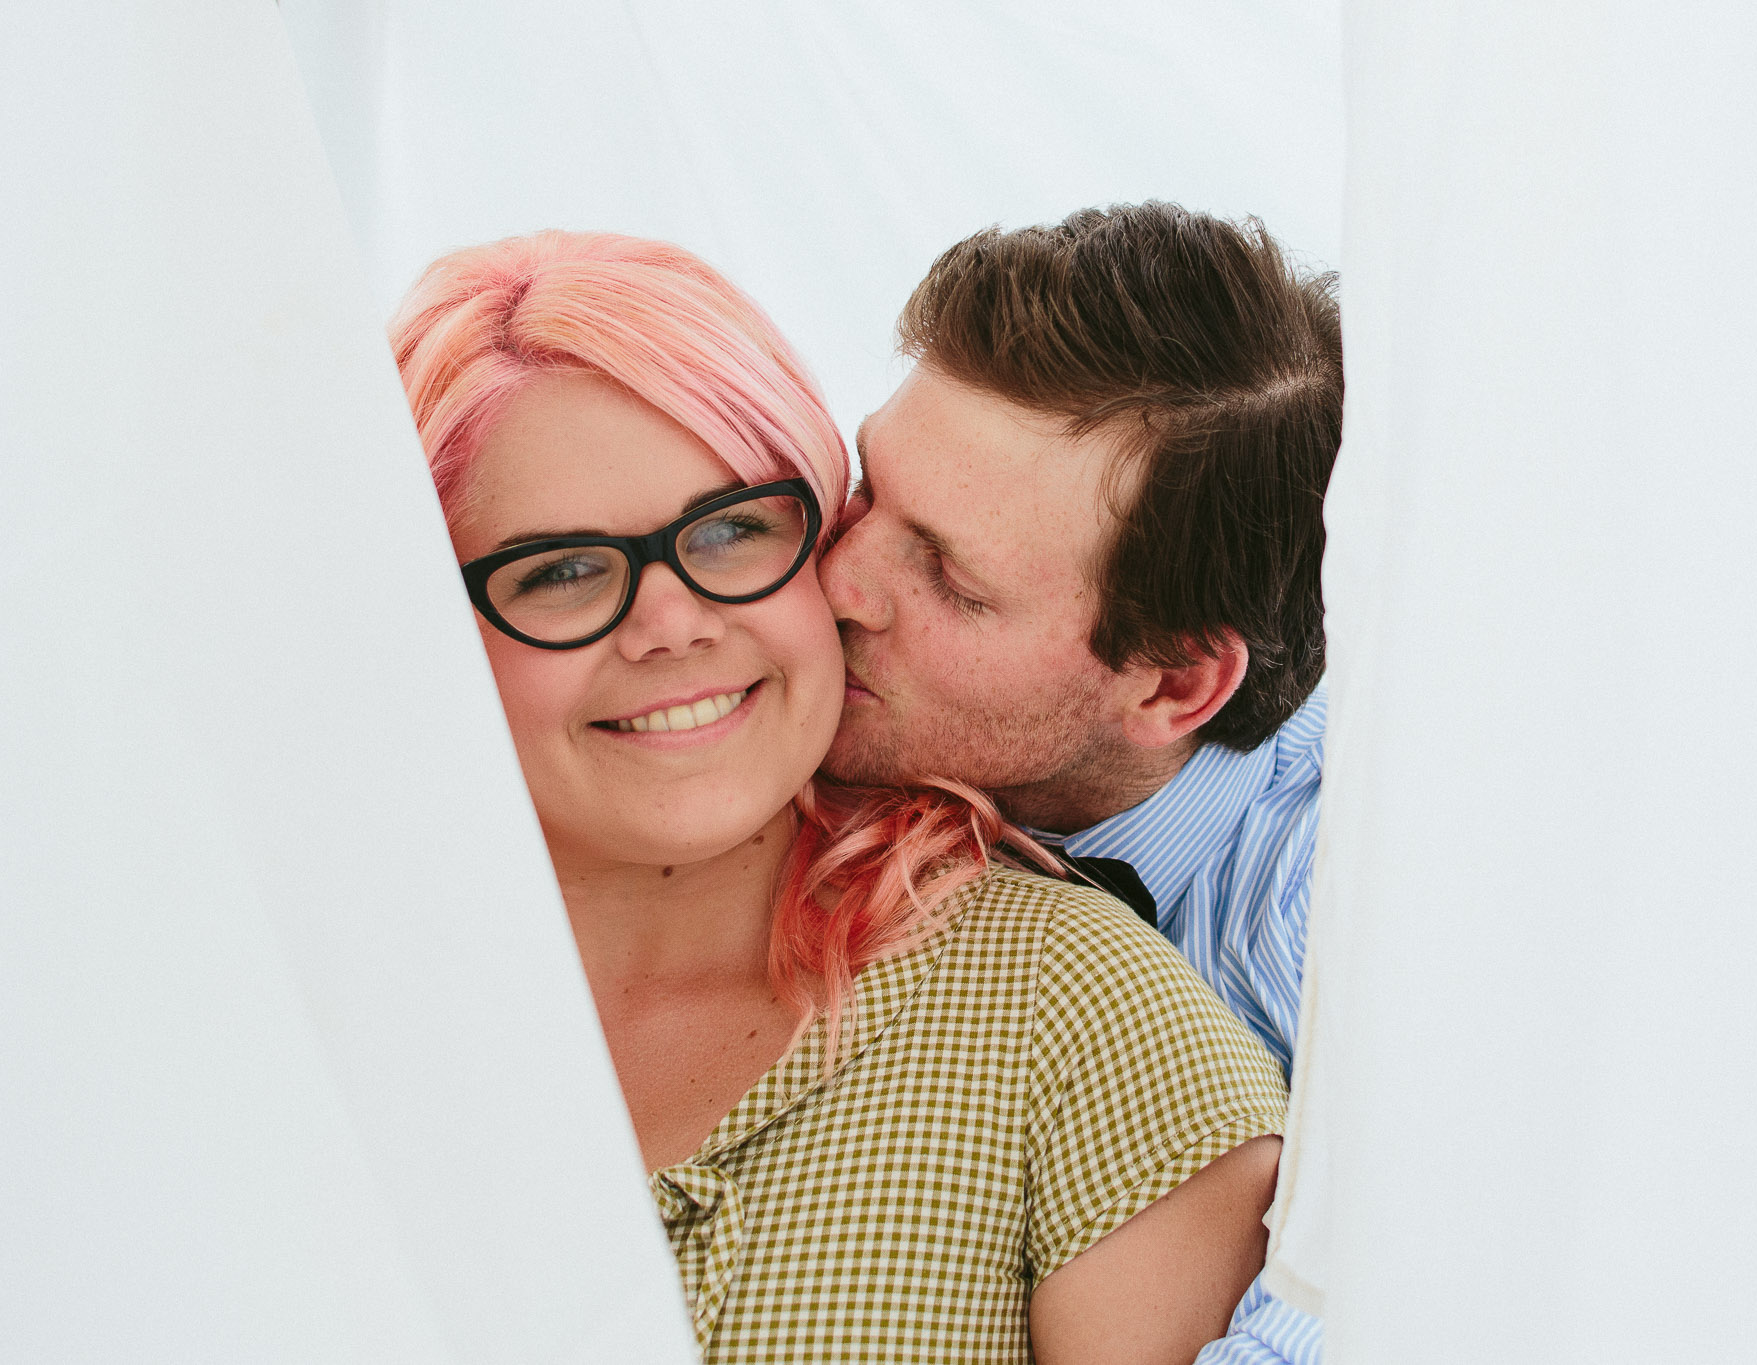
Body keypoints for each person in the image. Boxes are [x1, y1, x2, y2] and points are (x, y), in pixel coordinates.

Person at [387, 229, 1289, 1365]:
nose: (673, 624)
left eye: (729, 531)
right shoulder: (290, 1022)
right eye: (559, 570)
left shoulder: (1081, 1014)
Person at [819, 202, 1340, 1364]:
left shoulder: (1341, 925)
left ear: (1170, 685)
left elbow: (1390, 1298)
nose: (839, 581)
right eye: (869, 488)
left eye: (947, 577)